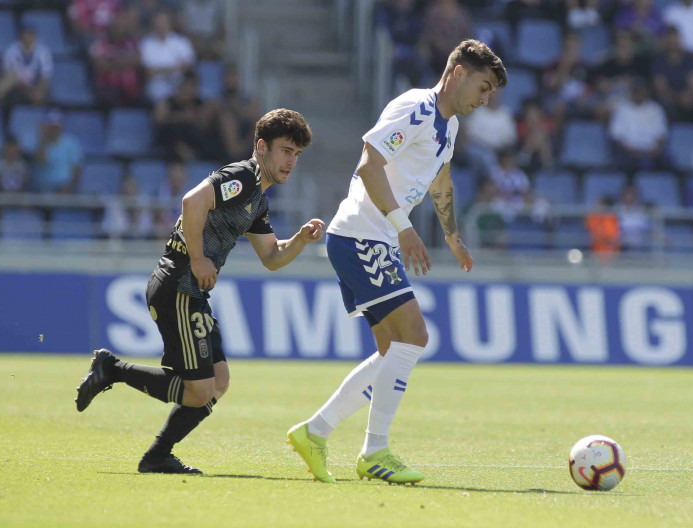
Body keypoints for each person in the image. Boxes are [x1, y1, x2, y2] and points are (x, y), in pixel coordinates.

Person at [286, 39, 506, 485]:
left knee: (393, 350)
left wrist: (451, 235)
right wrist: (405, 227)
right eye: (482, 88)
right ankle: (375, 451)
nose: (484, 101)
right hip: (363, 233)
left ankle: (316, 432)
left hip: (374, 237)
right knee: (415, 335)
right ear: (458, 72)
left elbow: (439, 179)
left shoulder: (450, 127)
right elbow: (369, 164)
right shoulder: (416, 108)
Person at [75, 109, 323, 474]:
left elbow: (271, 256)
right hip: (178, 282)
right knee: (198, 389)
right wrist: (198, 259)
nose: (291, 161)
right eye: (285, 150)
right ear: (261, 147)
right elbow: (192, 201)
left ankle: (157, 455)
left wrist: (300, 239)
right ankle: (112, 370)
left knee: (217, 382)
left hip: (191, 289)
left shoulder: (259, 199)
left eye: (296, 154)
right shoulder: (242, 177)